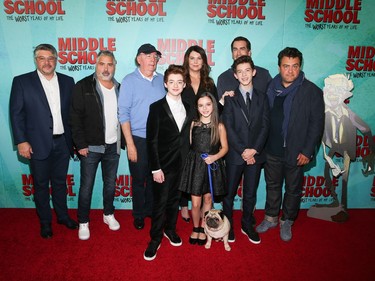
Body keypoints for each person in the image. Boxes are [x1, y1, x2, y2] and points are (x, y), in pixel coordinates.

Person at [256, 47, 325, 242]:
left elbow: (316, 124)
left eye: (295, 66)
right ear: (279, 67)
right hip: (271, 149)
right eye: (286, 66)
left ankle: (287, 220)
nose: (290, 71)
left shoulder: (311, 91)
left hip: (296, 152)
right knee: (273, 186)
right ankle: (270, 218)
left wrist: (307, 151)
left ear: (300, 66)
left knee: (293, 189)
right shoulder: (270, 87)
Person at [9, 43, 77, 239]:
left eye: (50, 58)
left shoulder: (67, 81)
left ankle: (63, 216)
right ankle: (45, 222)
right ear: (36, 60)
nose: (47, 62)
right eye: (42, 58)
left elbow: (72, 113)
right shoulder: (22, 82)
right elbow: (16, 114)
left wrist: (74, 140)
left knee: (59, 184)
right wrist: (21, 141)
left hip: (63, 143)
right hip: (36, 143)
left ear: (56, 60)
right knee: (40, 185)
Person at [70, 51, 122, 240]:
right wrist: (80, 144)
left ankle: (108, 214)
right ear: (96, 64)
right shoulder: (83, 86)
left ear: (114, 65)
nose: (106, 68)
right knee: (87, 186)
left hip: (113, 147)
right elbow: (74, 118)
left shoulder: (119, 88)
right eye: (102, 64)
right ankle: (83, 221)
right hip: (90, 147)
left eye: (110, 64)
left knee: (110, 185)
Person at [144, 65, 193, 261]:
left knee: (175, 201)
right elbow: (151, 140)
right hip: (162, 167)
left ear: (184, 84)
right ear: (165, 84)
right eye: (171, 81)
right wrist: (155, 168)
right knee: (160, 203)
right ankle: (155, 238)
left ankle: (170, 229)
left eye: (179, 82)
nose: (175, 85)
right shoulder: (155, 107)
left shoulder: (189, 107)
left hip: (182, 165)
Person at [221, 56, 270, 244]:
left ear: (254, 72)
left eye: (247, 70)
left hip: (255, 155)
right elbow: (229, 127)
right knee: (229, 193)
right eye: (240, 71)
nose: (244, 75)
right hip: (235, 154)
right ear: (235, 75)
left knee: (250, 192)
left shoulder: (262, 97)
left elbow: (266, 126)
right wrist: (243, 151)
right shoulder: (230, 98)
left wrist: (254, 150)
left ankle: (247, 223)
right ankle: (227, 225)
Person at [118, 43, 165, 230]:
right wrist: (130, 144)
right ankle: (138, 214)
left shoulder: (162, 80)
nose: (153, 59)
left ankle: (151, 211)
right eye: (148, 56)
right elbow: (123, 114)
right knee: (138, 180)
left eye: (155, 56)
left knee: (155, 179)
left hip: (159, 140)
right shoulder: (129, 80)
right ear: (139, 59)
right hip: (137, 138)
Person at [179, 92, 228, 246]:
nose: (204, 108)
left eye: (208, 104)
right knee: (195, 203)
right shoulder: (193, 124)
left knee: (207, 199)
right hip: (195, 166)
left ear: (213, 105)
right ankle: (195, 227)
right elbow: (191, 145)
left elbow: (225, 148)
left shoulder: (219, 126)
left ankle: (203, 227)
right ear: (197, 107)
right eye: (201, 105)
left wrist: (214, 157)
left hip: (211, 166)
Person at [179, 45, 220, 223]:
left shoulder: (209, 82)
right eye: (192, 58)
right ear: (187, 60)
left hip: (206, 132)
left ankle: (204, 211)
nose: (195, 62)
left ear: (203, 61)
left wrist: (225, 100)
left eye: (199, 58)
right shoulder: (181, 80)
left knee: (203, 171)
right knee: (184, 168)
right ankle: (183, 205)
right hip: (183, 131)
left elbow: (216, 106)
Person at [217, 36, 272, 103]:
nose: (238, 53)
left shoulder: (264, 75)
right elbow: (219, 108)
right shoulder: (223, 78)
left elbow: (271, 103)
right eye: (235, 49)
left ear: (249, 53)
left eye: (242, 49)